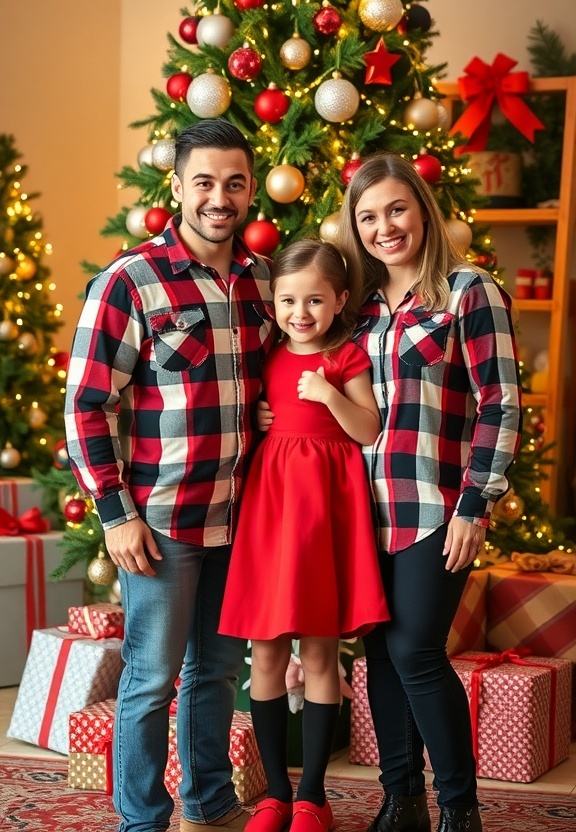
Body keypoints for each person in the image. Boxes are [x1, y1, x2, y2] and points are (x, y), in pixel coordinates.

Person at [64, 118, 275, 832]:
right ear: (178, 185)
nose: (221, 197)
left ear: (250, 191)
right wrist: (116, 515)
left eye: (235, 183)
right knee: (152, 681)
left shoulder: (262, 283)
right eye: (206, 182)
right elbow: (87, 406)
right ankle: (142, 821)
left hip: (240, 517)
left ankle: (210, 805)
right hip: (161, 522)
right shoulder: (131, 282)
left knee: (215, 674)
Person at [337, 154, 522, 832]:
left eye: (396, 209)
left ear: (421, 209)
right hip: (364, 512)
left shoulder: (469, 292)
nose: (384, 227)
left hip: (435, 508)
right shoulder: (358, 311)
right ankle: (400, 799)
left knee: (416, 649)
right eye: (368, 217)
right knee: (379, 651)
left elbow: (500, 404)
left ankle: (459, 809)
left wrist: (478, 503)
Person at [219, 240, 389, 832]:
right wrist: (261, 417)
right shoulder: (266, 353)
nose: (300, 312)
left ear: (340, 300)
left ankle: (313, 797)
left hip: (323, 516)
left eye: (315, 300)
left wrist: (329, 395)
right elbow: (246, 408)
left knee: (318, 651)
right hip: (270, 511)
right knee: (264, 649)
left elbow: (367, 429)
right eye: (288, 299)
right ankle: (273, 794)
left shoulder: (348, 358)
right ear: (274, 302)